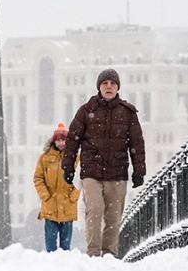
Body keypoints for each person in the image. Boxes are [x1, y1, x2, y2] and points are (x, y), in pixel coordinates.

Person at [61, 68, 146, 257]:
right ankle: (93, 252)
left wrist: (139, 170)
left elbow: (137, 143)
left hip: (117, 172)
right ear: (99, 87)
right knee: (95, 209)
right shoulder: (85, 111)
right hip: (91, 171)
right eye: (105, 83)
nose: (109, 86)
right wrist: (67, 167)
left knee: (114, 216)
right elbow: (72, 140)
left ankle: (109, 253)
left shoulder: (128, 113)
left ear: (117, 87)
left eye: (113, 83)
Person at [34, 123, 80, 252]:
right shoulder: (44, 158)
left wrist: (73, 197)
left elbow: (81, 180)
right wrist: (45, 196)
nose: (61, 143)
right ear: (54, 141)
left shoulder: (75, 158)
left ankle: (64, 266)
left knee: (66, 244)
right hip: (50, 206)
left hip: (68, 205)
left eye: (63, 140)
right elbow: (38, 178)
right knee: (50, 242)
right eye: (58, 140)